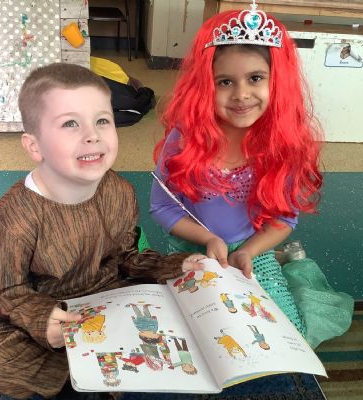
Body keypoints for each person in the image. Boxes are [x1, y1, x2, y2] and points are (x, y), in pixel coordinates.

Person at [0, 62, 206, 400]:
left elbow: (128, 257)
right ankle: (78, 370)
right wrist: (42, 318)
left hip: (110, 295)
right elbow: (6, 289)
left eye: (102, 120)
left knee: (179, 313)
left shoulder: (119, 190)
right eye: (70, 124)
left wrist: (175, 265)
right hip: (50, 305)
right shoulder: (15, 213)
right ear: (34, 146)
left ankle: (98, 370)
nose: (92, 135)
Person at [150, 0, 354, 348]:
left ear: (277, 81)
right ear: (205, 85)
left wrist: (248, 252)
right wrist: (208, 239)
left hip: (252, 254)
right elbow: (163, 207)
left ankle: (282, 268)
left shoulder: (283, 144)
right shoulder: (184, 138)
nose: (241, 95)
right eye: (225, 81)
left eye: (256, 78)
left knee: (283, 336)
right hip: (194, 253)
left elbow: (284, 218)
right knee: (191, 338)